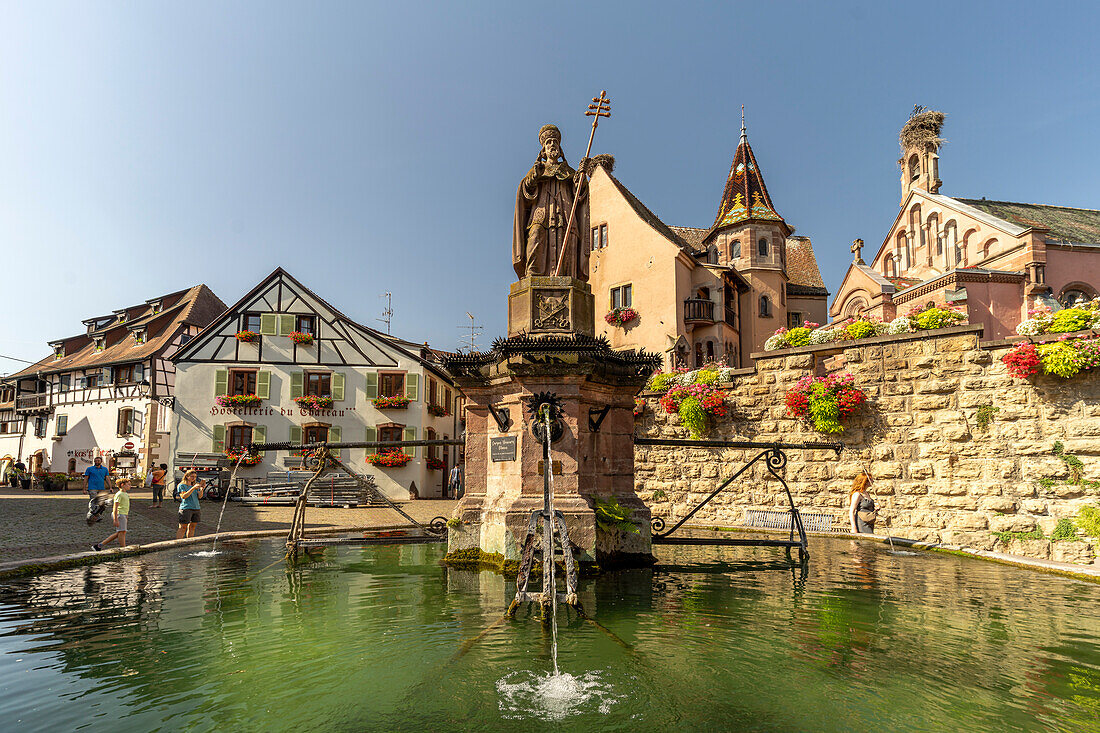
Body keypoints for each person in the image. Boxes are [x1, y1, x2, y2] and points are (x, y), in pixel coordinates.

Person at [512, 124, 590, 280]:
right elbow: (525, 192)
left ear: (560, 148)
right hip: (541, 214)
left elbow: (580, 195)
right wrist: (534, 178)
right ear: (543, 150)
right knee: (535, 236)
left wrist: (580, 180)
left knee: (567, 242)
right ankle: (533, 276)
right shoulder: (537, 169)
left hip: (565, 214)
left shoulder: (570, 172)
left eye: (555, 142)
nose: (552, 145)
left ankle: (566, 277)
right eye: (548, 142)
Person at [93, 479, 131, 551]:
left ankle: (99, 545)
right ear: (122, 485)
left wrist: (126, 515)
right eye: (128, 484)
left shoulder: (125, 494)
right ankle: (123, 548)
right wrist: (115, 519)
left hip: (123, 514)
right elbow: (115, 507)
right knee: (122, 532)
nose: (130, 486)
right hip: (120, 514)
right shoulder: (119, 494)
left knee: (120, 532)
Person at [176, 471, 204, 539]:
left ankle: (189, 541)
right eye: (192, 476)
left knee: (192, 527)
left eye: (195, 477)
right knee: (183, 527)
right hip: (186, 508)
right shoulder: (182, 485)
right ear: (187, 476)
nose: (194, 478)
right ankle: (178, 542)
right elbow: (184, 496)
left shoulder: (194, 485)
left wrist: (201, 489)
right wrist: (193, 488)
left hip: (196, 508)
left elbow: (200, 497)